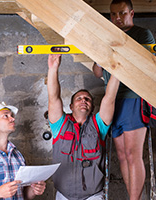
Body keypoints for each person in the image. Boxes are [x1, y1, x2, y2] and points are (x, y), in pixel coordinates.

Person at [92, 0, 155, 199]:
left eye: (122, 13)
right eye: (113, 14)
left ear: (131, 13)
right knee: (121, 156)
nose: (117, 18)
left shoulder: (142, 34)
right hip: (112, 101)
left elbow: (149, 68)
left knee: (131, 154)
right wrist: (102, 52)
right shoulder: (108, 37)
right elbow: (97, 72)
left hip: (132, 98)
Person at [47, 54, 120, 200]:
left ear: (92, 106)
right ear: (71, 106)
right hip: (63, 194)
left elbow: (109, 99)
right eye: (78, 99)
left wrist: (118, 70)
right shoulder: (59, 125)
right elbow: (53, 98)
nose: (83, 101)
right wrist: (53, 68)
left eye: (87, 99)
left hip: (93, 195)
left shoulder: (99, 125)